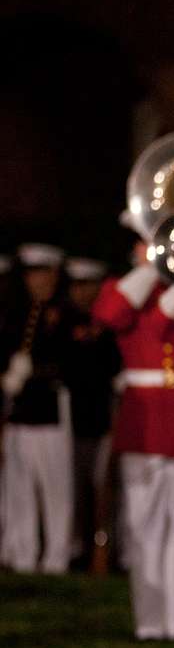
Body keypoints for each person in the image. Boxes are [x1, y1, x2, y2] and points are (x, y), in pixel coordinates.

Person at [93, 246, 174, 642]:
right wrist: (150, 267)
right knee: (143, 529)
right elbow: (108, 314)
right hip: (143, 427)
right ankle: (149, 624)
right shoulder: (127, 288)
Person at [0, 243, 75, 573]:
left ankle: (57, 556)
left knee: (56, 488)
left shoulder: (65, 314)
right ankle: (24, 554)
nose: (38, 281)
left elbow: (72, 362)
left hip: (51, 412)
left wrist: (37, 370)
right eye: (32, 275)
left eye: (43, 274)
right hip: (20, 414)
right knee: (20, 488)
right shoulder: (16, 314)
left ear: (55, 276)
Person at [64, 257, 121, 571]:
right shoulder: (63, 322)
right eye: (77, 286)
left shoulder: (108, 325)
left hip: (103, 420)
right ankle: (78, 549)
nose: (81, 292)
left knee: (103, 489)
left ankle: (103, 550)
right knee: (74, 490)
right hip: (71, 421)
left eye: (87, 285)